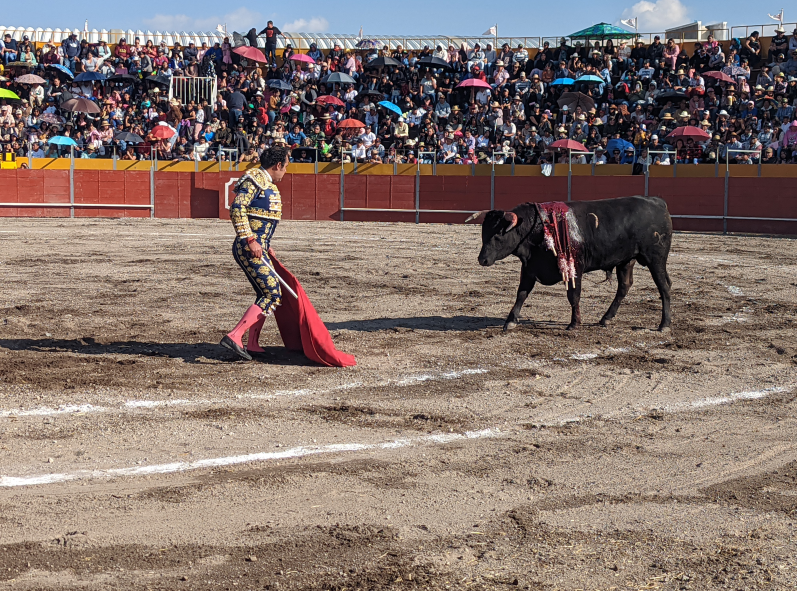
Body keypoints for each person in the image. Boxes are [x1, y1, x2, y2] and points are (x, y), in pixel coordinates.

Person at [221, 145, 291, 361]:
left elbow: (258, 219)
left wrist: (265, 243)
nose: (285, 171)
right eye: (285, 167)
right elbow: (237, 209)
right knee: (272, 293)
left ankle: (252, 342)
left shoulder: (264, 183)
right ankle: (235, 336)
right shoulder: (254, 179)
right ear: (278, 165)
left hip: (258, 246)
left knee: (265, 292)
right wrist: (251, 240)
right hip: (248, 247)